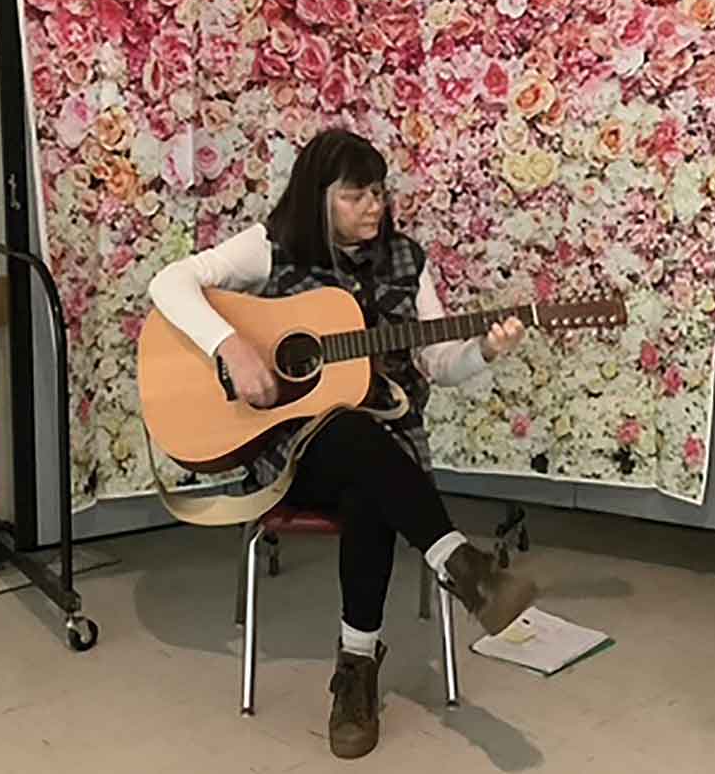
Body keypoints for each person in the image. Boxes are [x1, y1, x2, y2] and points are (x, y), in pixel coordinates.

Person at [148, 128, 537, 759]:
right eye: (356, 195)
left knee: (370, 474)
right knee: (355, 437)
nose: (374, 207)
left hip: (382, 457)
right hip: (291, 456)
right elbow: (169, 283)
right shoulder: (273, 248)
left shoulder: (409, 260)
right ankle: (460, 565)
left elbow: (437, 362)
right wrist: (232, 346)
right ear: (318, 196)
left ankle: (355, 670)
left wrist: (484, 351)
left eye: (379, 192)